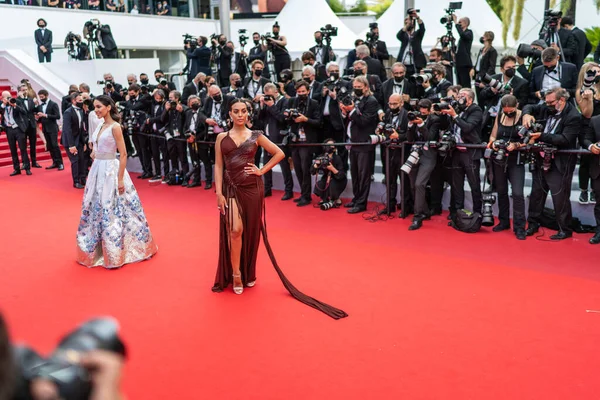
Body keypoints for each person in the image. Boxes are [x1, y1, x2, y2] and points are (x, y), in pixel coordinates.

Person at [212, 98, 347, 320]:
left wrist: (262, 170)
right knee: (235, 230)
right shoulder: (221, 138)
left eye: (243, 111)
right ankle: (236, 274)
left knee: (252, 232)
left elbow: (279, 153)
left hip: (252, 189)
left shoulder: (256, 135)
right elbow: (218, 165)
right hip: (231, 188)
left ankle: (248, 272)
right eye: (235, 111)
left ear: (248, 114)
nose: (239, 115)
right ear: (229, 114)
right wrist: (218, 193)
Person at [76, 95, 157, 269]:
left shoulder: (116, 127)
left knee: (114, 207)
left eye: (99, 107)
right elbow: (97, 147)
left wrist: (120, 178)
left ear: (108, 107)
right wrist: (94, 153)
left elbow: (124, 154)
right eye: (95, 107)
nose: (96, 110)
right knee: (95, 206)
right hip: (97, 169)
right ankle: (96, 249)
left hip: (111, 171)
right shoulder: (99, 125)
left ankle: (118, 249)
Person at [486, 95, 527, 240]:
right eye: (506, 111)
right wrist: (493, 144)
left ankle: (520, 227)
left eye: (511, 111)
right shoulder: (500, 116)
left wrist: (517, 145)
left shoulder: (524, 116)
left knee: (517, 193)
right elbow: (492, 136)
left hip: (516, 160)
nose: (508, 113)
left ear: (517, 105)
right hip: (500, 159)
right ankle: (503, 221)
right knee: (501, 191)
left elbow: (531, 138)